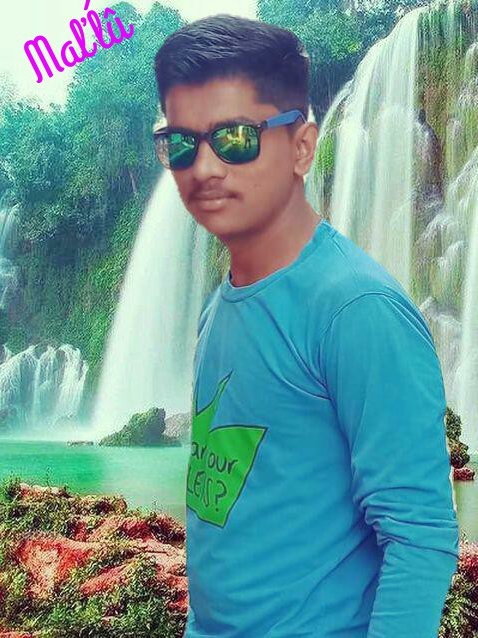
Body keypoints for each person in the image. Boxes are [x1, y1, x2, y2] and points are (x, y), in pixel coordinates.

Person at [153, 13, 459, 638]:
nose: (204, 168)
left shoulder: (357, 310)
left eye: (235, 137)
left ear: (301, 146)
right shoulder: (221, 306)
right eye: (182, 142)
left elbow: (420, 535)